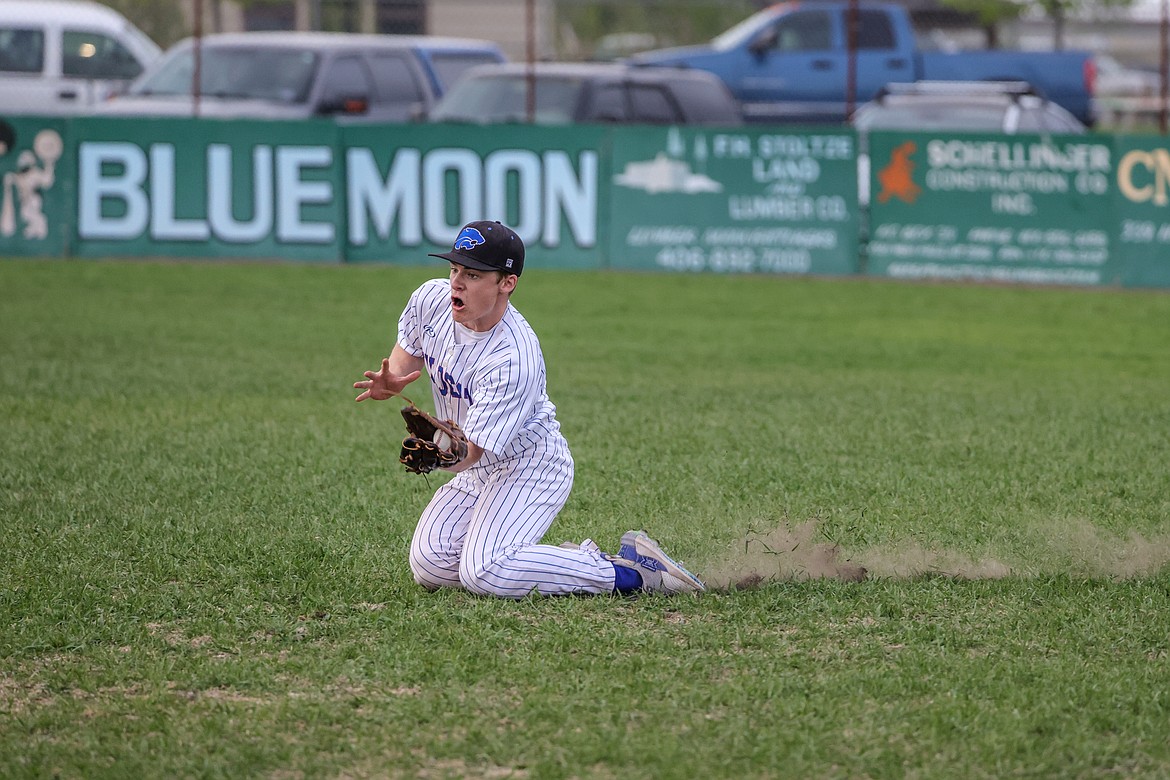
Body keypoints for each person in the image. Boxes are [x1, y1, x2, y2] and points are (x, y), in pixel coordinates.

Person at [354, 220, 704, 599]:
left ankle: (631, 572)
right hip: (480, 470)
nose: (456, 282)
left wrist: (439, 457)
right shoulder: (430, 300)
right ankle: (550, 564)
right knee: (431, 565)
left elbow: (469, 453)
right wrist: (391, 382)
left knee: (484, 573)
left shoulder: (512, 356)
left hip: (528, 466)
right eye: (454, 268)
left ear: (507, 283)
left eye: (472, 274)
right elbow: (405, 359)